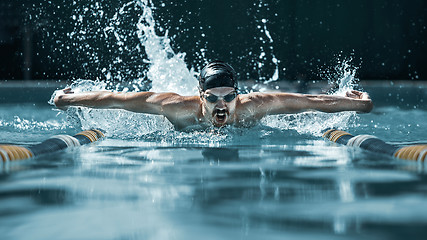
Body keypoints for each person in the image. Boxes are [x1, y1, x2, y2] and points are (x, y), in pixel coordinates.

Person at [54, 61, 373, 130]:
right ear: (200, 95)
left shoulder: (254, 107)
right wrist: (65, 99)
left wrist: (361, 103)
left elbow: (313, 103)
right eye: (212, 98)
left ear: (239, 94)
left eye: (229, 97)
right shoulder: (176, 107)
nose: (222, 105)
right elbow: (114, 99)